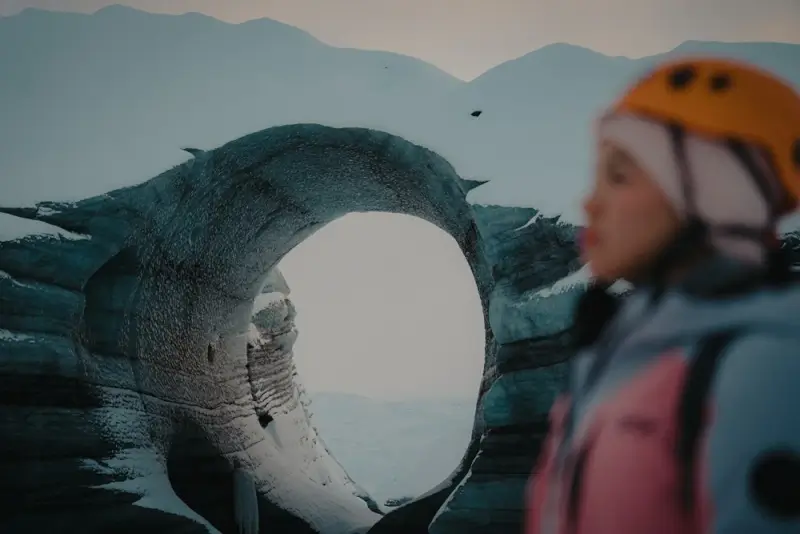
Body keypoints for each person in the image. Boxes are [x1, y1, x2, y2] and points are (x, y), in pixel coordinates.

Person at [525, 57, 800, 534]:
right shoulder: (628, 352)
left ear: (710, 198)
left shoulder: (768, 372)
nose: (589, 203)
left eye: (619, 175)